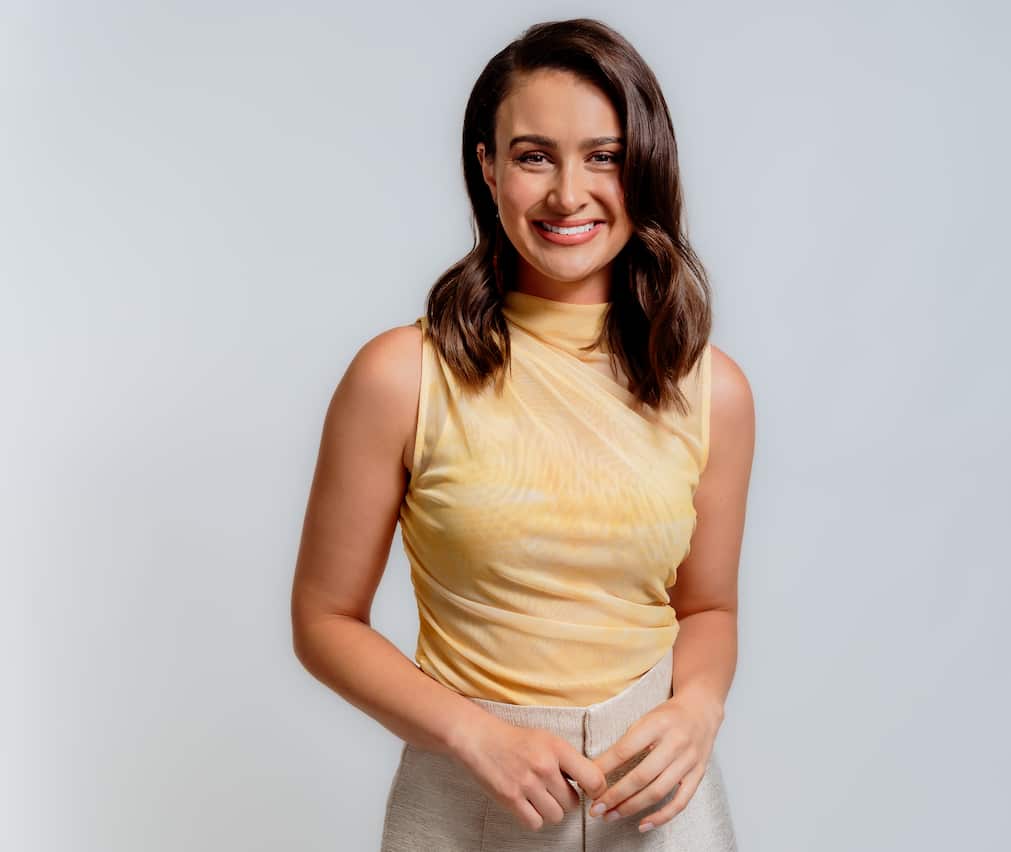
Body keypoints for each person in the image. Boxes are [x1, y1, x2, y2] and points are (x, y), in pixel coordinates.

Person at [291, 17, 754, 851]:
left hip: (659, 805)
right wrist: (473, 735)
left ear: (644, 167)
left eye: (604, 156)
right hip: (465, 797)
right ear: (488, 168)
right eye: (534, 155)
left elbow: (709, 606)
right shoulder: (402, 376)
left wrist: (698, 708)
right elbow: (325, 620)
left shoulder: (711, 388)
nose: (568, 193)